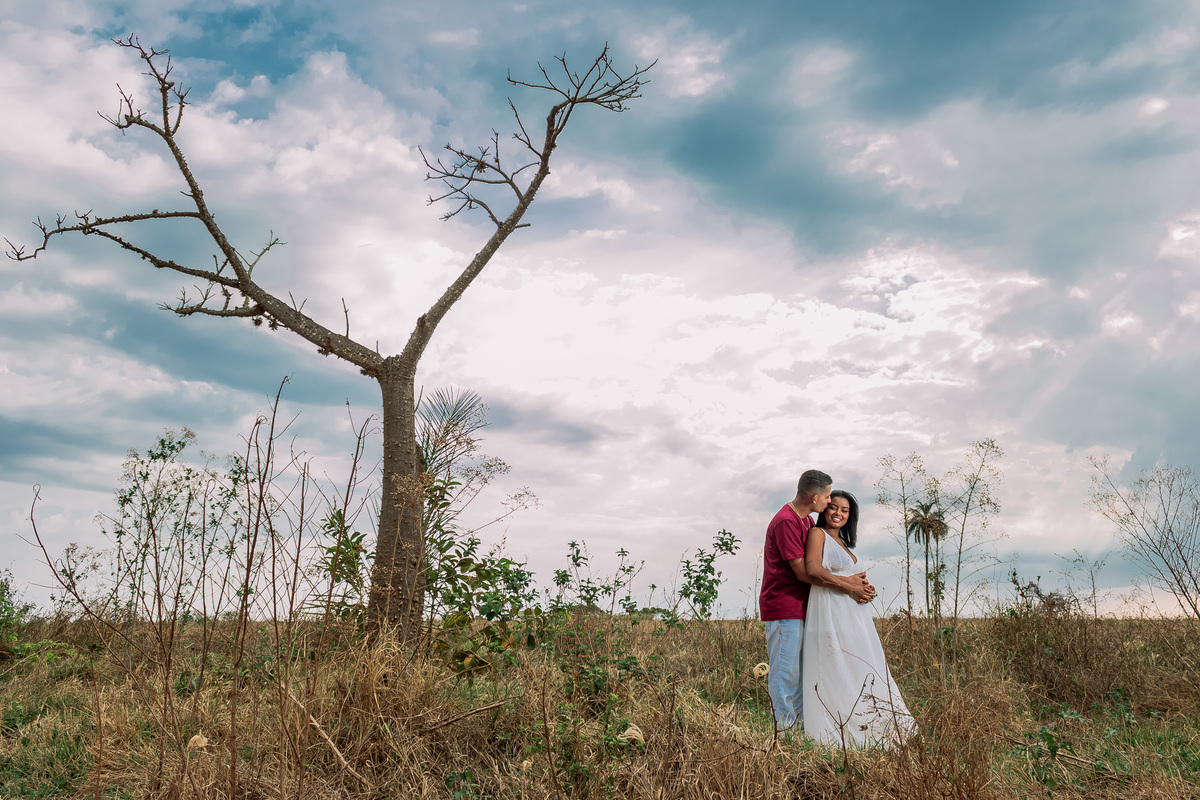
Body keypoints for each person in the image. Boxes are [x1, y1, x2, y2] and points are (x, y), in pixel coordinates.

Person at [760, 471, 876, 730]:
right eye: (826, 497)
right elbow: (804, 572)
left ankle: (800, 730)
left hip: (803, 607)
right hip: (784, 606)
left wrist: (855, 581)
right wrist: (849, 586)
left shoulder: (805, 522)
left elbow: (824, 567)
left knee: (801, 674)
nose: (828, 502)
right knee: (785, 673)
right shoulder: (786, 522)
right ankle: (785, 731)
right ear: (814, 498)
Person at [802, 490, 915, 747]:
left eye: (844, 510)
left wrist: (867, 590)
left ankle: (873, 723)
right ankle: (838, 729)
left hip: (855, 617)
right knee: (836, 666)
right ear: (824, 509)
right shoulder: (817, 534)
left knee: (863, 665)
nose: (838, 513)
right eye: (833, 507)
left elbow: (858, 578)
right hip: (831, 612)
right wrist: (851, 588)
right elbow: (813, 569)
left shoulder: (843, 543)